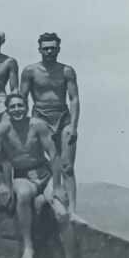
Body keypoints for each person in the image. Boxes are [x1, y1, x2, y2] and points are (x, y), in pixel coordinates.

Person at [0, 92, 78, 258]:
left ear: (26, 107)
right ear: (7, 110)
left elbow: (53, 154)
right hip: (23, 176)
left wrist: (57, 186)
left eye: (20, 106)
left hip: (44, 174)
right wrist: (1, 183)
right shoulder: (3, 128)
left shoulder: (37, 125)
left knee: (61, 213)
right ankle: (28, 247)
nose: (17, 110)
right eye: (13, 107)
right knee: (23, 194)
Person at [20, 32, 80, 216]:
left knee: (67, 167)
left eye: (52, 48)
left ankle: (72, 212)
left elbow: (74, 98)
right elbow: (22, 99)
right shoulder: (30, 71)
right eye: (45, 48)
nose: (49, 51)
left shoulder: (67, 71)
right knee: (39, 163)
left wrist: (74, 126)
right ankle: (45, 201)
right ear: (39, 49)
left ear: (58, 49)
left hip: (62, 118)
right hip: (40, 118)